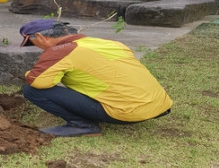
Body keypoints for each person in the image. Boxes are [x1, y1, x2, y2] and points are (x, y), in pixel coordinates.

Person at [19, 19, 173, 137]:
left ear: (40, 36)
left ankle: (82, 125)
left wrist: (27, 74)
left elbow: (38, 81)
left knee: (32, 90)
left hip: (127, 112)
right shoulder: (106, 43)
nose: (36, 47)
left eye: (32, 43)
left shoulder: (60, 51)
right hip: (160, 105)